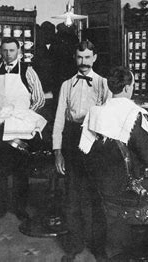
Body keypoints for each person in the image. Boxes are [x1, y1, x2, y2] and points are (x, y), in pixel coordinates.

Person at [79, 66, 148, 256]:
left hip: (104, 186)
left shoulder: (96, 112)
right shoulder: (131, 114)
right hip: (131, 186)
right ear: (128, 87)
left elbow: (87, 149)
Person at [52, 40, 110, 262]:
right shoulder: (66, 85)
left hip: (95, 141)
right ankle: (74, 244)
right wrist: (57, 151)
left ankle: (99, 247)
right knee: (72, 197)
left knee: (97, 197)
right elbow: (58, 120)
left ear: (94, 58)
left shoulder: (104, 84)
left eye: (87, 58)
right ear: (75, 58)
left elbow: (107, 119)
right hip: (72, 141)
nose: (83, 62)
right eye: (79, 57)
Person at [0, 37, 45, 221]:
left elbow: (39, 99)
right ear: (0, 52)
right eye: (5, 51)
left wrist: (24, 118)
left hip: (20, 129)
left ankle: (20, 207)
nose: (8, 54)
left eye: (12, 50)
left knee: (20, 169)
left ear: (19, 52)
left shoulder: (28, 71)